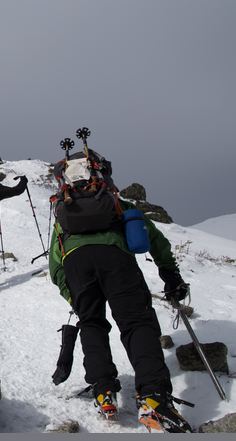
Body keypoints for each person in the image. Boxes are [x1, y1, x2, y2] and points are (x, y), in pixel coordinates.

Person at [47, 150, 193, 433]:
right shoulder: (116, 203)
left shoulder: (63, 212)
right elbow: (155, 239)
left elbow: (55, 263)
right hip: (116, 258)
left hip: (77, 264)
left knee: (91, 323)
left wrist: (72, 295)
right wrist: (171, 276)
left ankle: (103, 390)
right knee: (137, 322)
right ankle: (153, 397)